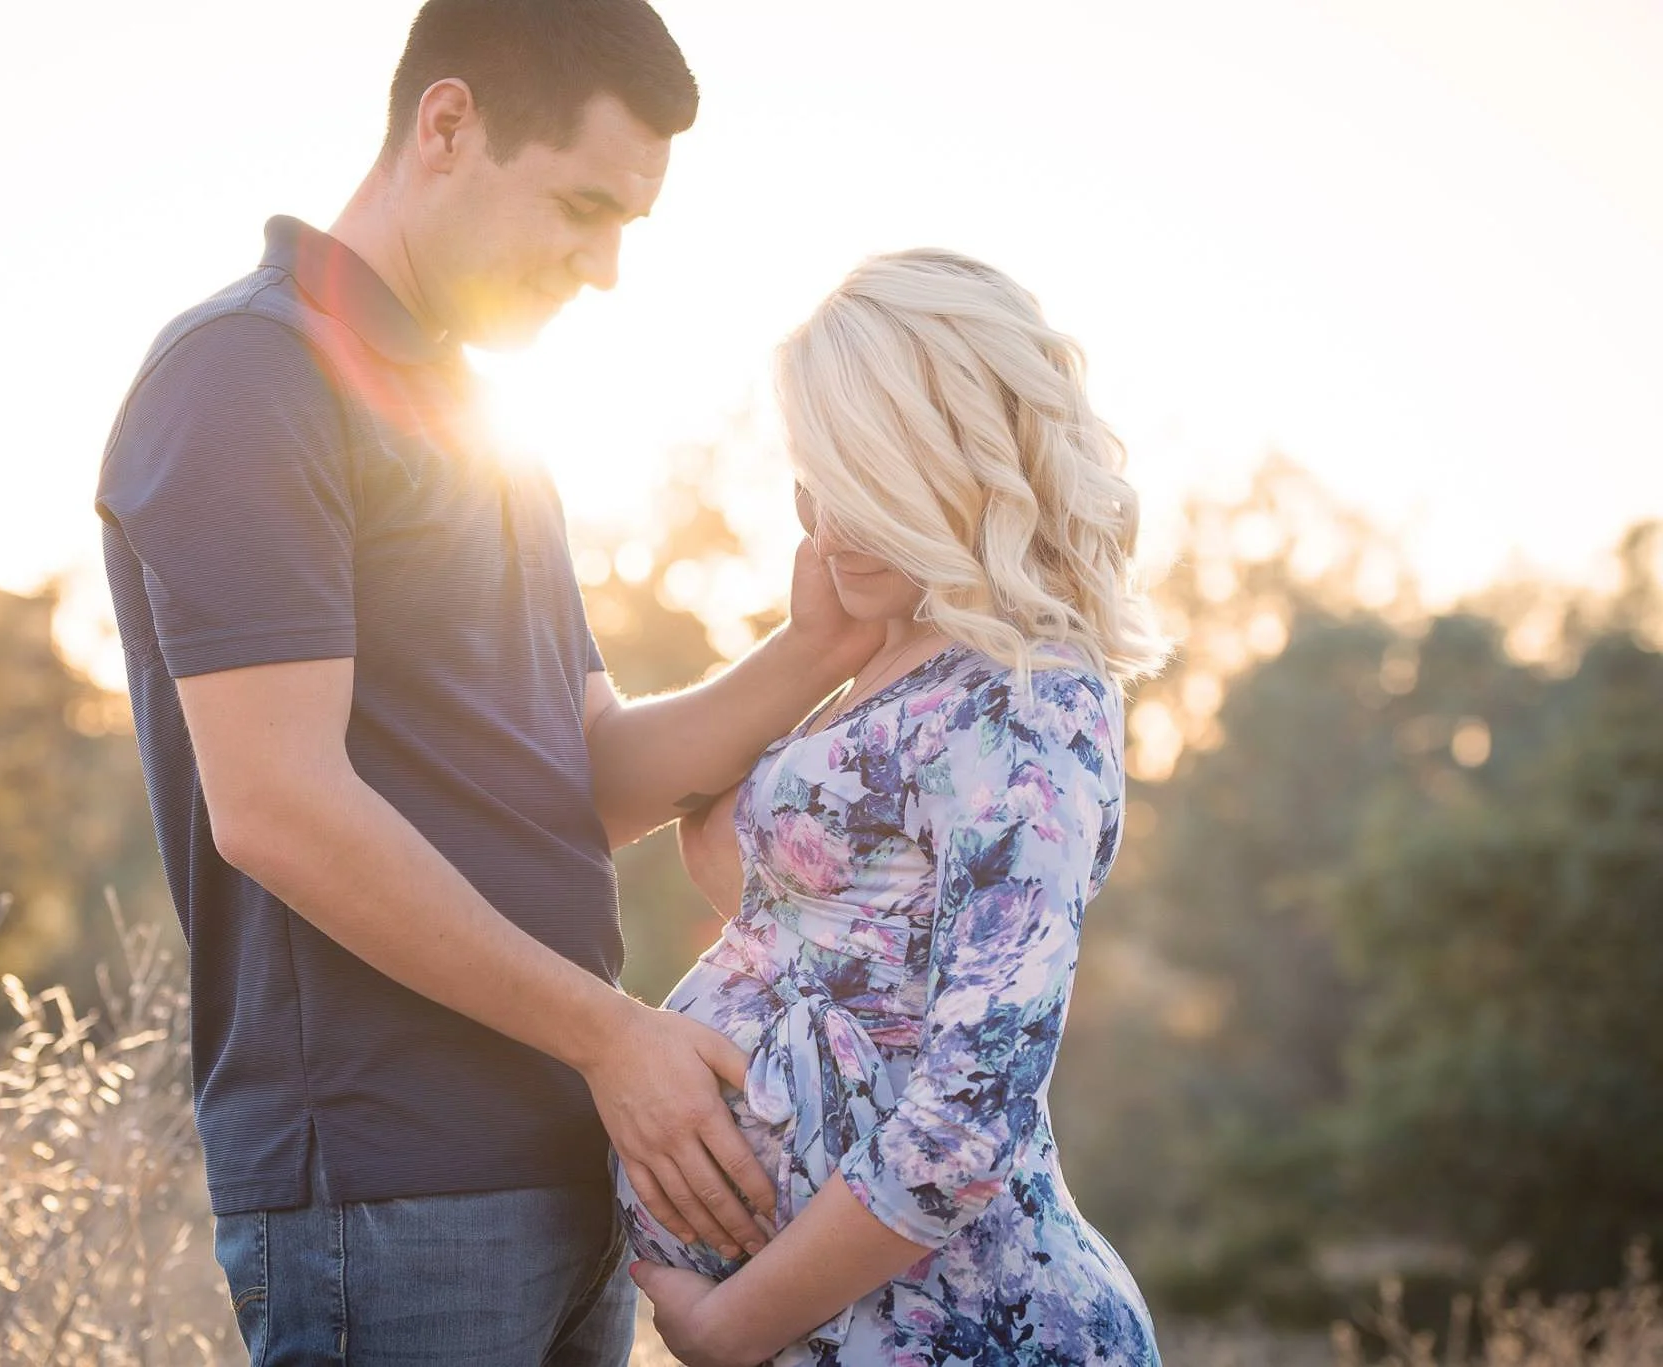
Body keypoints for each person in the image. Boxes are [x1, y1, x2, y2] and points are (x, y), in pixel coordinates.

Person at [93, 1, 881, 1362]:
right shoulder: (246, 375)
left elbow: (592, 777)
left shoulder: (486, 427)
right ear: (446, 124)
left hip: (570, 1170)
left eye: (630, 222)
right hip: (386, 1187)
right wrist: (614, 1038)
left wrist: (814, 647)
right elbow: (275, 804)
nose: (607, 266)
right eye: (583, 206)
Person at [618, 250, 1169, 1366]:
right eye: (810, 479)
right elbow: (773, 903)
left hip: (972, 1334)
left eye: (868, 479)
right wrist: (820, 641)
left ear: (965, 462)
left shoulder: (1025, 702)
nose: (826, 523)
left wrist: (729, 1326)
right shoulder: (892, 664)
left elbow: (969, 1113)